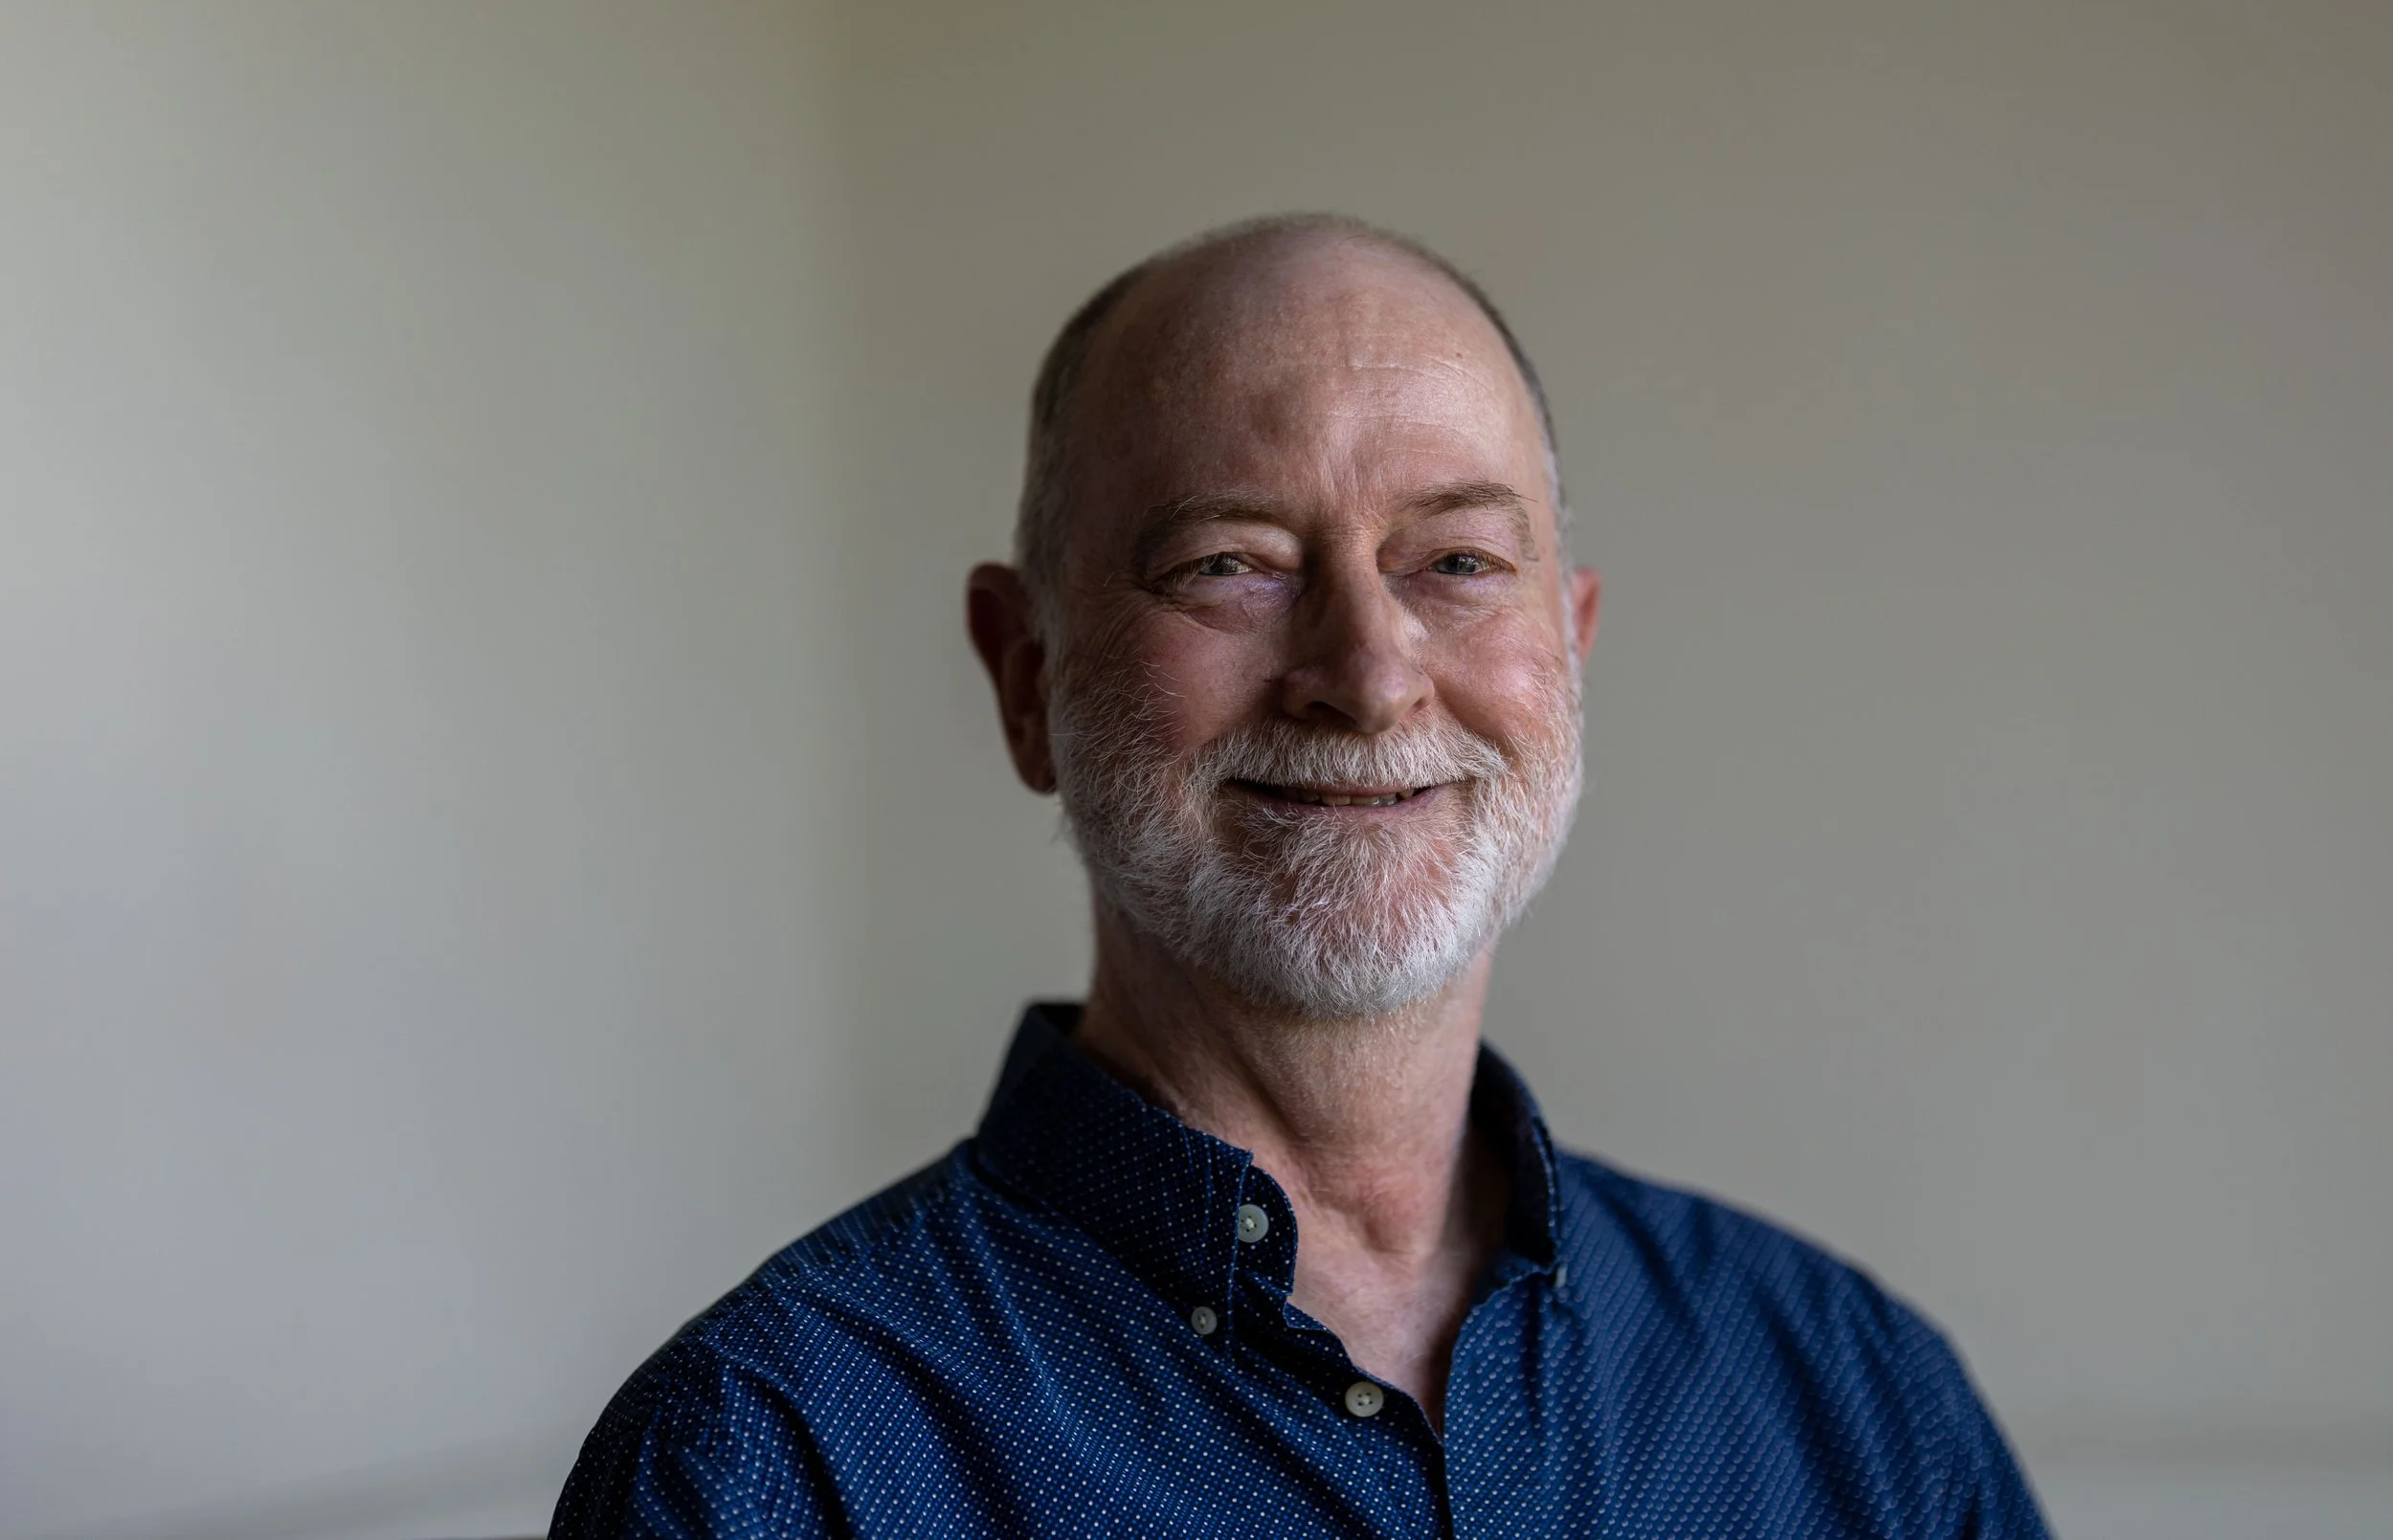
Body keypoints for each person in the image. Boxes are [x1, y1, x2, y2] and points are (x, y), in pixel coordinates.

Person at [551, 214, 2050, 1538]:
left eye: (1457, 562)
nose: (1369, 675)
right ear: (1024, 678)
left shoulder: (1861, 1409)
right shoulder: (767, 1468)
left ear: (1571, 648)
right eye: (1231, 562)